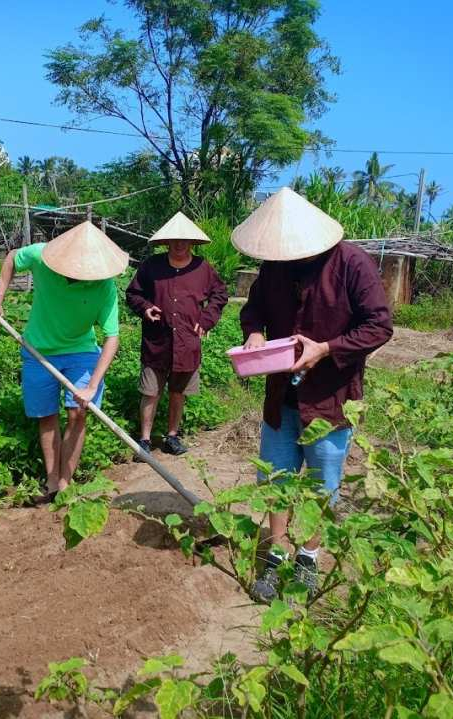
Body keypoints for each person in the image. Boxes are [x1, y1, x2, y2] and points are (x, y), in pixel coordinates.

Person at [235, 187, 393, 602]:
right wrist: (253, 331)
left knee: (323, 485)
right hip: (280, 397)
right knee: (276, 479)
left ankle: (308, 556)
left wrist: (327, 349)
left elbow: (379, 325)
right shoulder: (274, 269)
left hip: (331, 398)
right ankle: (278, 556)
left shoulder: (352, 264)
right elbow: (253, 311)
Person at [0, 221, 128, 503]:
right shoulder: (41, 255)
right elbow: (12, 257)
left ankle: (65, 483)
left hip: (82, 352)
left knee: (78, 412)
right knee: (47, 415)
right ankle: (51, 479)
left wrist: (91, 386)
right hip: (39, 350)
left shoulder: (105, 287)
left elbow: (112, 337)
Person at [125, 212, 228, 456]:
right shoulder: (152, 266)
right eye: (175, 240)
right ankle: (145, 439)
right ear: (166, 242)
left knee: (177, 392)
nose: (180, 245)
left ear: (192, 243)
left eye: (185, 241)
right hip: (157, 340)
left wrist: (206, 319)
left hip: (187, 342)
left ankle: (172, 435)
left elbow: (220, 295)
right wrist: (146, 308)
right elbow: (133, 294)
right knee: (150, 391)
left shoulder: (203, 269)